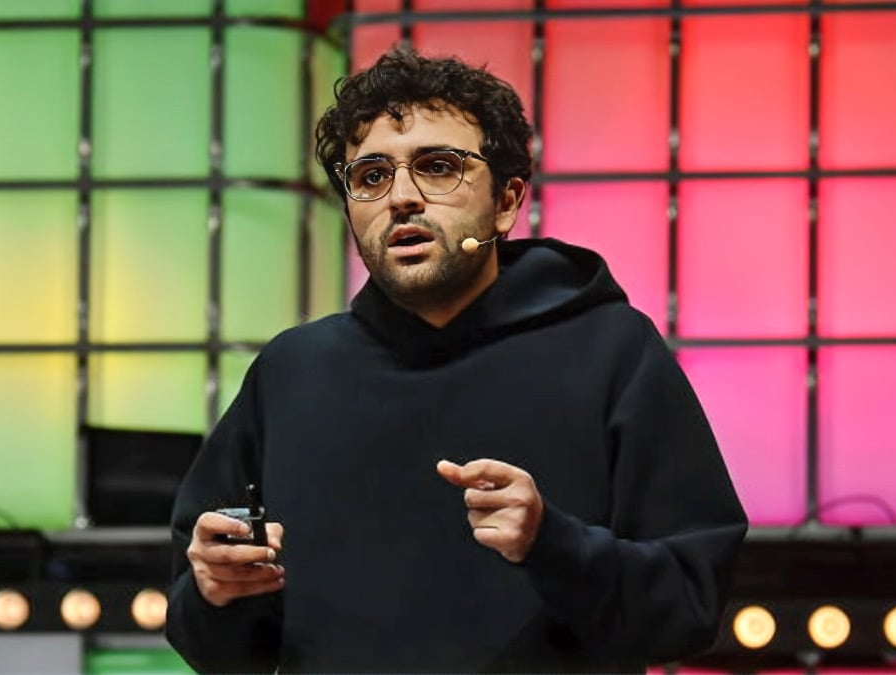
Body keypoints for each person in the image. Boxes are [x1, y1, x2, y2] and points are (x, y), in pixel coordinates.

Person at [166, 47, 747, 674]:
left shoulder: (612, 350)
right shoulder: (291, 373)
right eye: (371, 176)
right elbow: (215, 644)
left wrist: (553, 543)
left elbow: (693, 605)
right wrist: (216, 593)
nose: (402, 198)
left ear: (506, 201)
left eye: (438, 167)